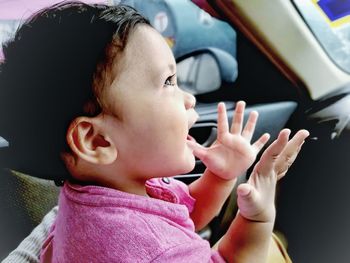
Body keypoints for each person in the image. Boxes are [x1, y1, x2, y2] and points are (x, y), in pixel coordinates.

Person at [0, 2, 309, 262]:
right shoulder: (157, 251)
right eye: (168, 82)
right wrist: (257, 218)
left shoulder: (98, 196)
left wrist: (221, 176)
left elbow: (181, 217)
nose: (189, 99)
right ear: (96, 140)